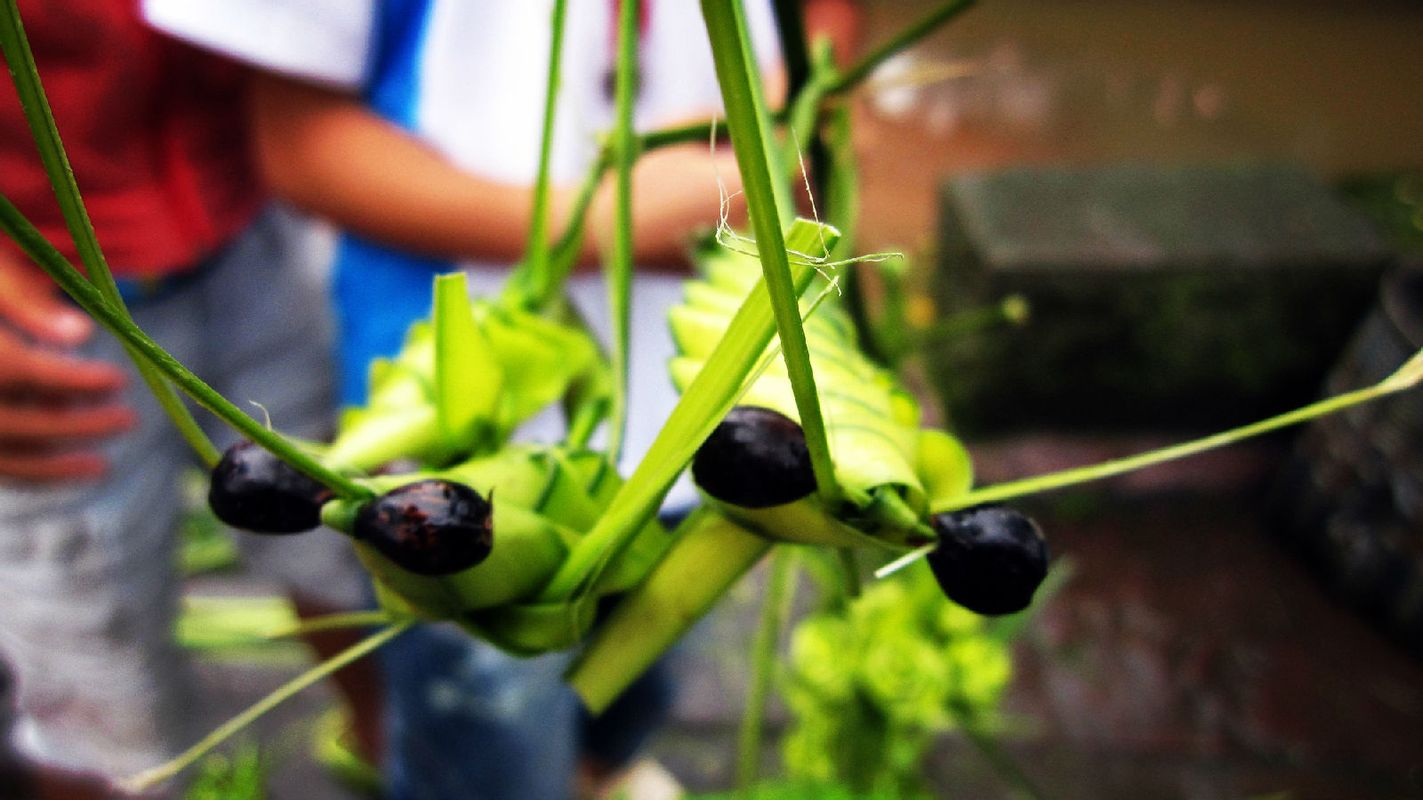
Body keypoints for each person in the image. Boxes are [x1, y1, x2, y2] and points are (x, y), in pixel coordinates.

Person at [147, 3, 859, 798]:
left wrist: (779, 109)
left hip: (707, 380)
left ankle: (602, 769)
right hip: (457, 402)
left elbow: (825, 30)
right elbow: (299, 146)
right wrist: (600, 227)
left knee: (643, 667)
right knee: (487, 725)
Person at [0, 1, 377, 794]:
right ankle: (123, 767)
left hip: (250, 237)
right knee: (87, 637)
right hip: (45, 308)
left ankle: (384, 745)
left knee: (341, 539)